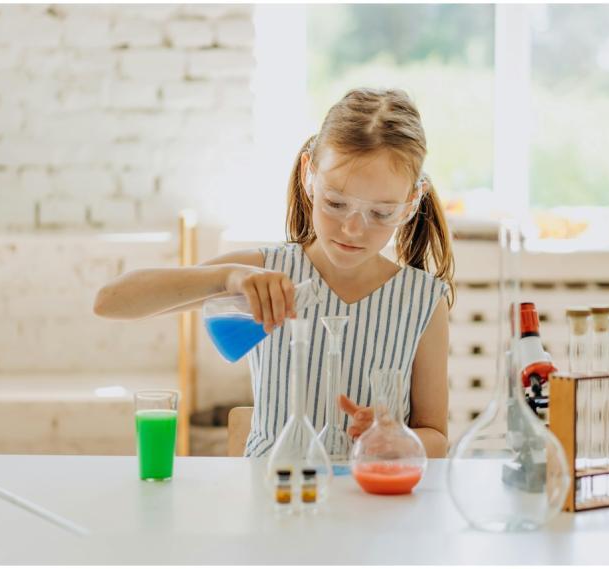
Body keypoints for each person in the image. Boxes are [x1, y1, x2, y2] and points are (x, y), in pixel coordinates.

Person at [94, 88, 455, 458]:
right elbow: (110, 302)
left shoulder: (422, 301)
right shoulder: (265, 273)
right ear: (308, 176)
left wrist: (395, 439)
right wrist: (227, 277)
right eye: (336, 203)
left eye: (380, 213)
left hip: (372, 505)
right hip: (272, 500)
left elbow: (436, 439)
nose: (353, 228)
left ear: (411, 203)